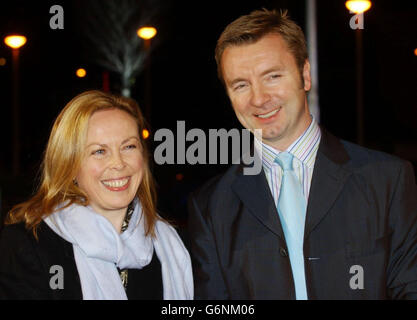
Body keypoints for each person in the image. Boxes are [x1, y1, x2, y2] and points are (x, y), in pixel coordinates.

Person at [187, 9, 417, 299]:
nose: (258, 98)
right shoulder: (210, 207)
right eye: (241, 85)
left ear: (305, 75)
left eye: (272, 76)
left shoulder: (388, 180)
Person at [0, 90, 193, 300]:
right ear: (69, 163)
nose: (118, 163)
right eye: (99, 151)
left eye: (129, 146)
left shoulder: (177, 245)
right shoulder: (28, 246)